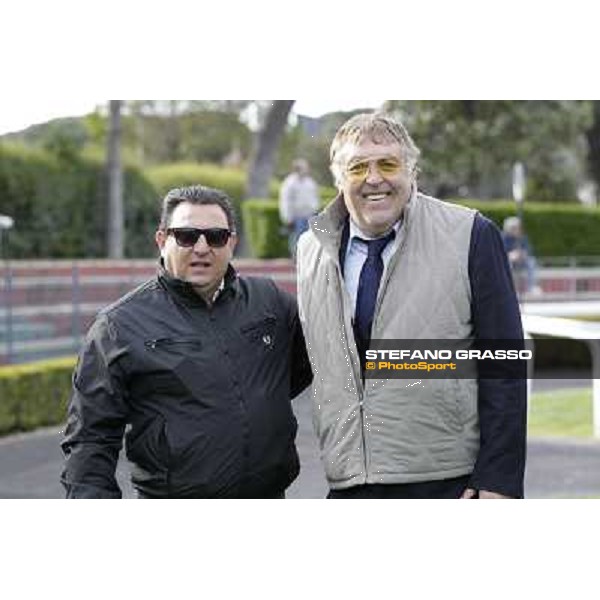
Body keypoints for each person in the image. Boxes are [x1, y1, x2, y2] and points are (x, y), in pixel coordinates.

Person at [296, 112, 527, 499]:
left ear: (412, 171)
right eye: (357, 168)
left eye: (388, 164)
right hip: (349, 480)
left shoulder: (471, 233)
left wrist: (497, 482)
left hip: (447, 481)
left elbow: (504, 364)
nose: (374, 179)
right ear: (338, 178)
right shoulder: (310, 248)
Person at [61, 184, 312, 498]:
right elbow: (89, 439)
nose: (202, 247)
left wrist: (392, 365)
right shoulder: (117, 326)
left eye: (216, 236)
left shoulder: (270, 302)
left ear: (231, 243)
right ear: (162, 241)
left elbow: (323, 360)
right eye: (187, 236)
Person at [279, 158, 320, 256]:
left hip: (309, 215)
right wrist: (287, 217)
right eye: (304, 167)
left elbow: (314, 197)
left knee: (310, 239)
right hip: (297, 217)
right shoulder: (289, 183)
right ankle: (295, 256)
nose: (307, 169)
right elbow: (286, 201)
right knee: (297, 238)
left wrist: (316, 210)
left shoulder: (310, 182)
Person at [502, 216, 539, 294]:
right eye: (514, 228)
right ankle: (510, 289)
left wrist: (522, 254)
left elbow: (529, 251)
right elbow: (500, 253)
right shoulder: (502, 237)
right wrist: (510, 255)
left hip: (522, 261)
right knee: (508, 264)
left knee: (531, 262)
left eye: (517, 227)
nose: (517, 230)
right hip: (508, 262)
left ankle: (532, 287)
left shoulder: (522, 237)